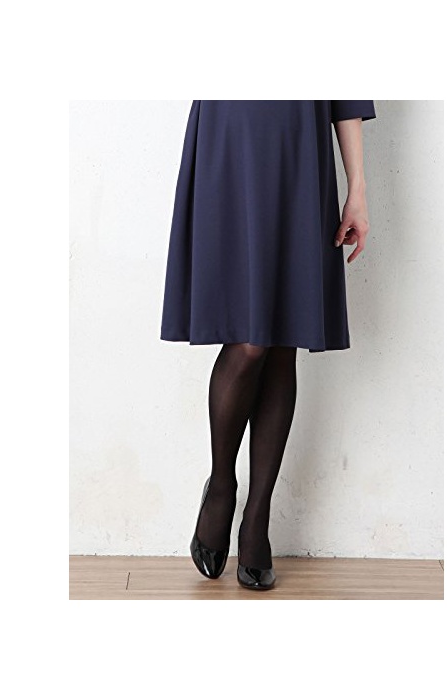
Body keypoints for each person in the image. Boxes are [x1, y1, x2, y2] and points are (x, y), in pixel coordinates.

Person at [160, 100, 376, 590]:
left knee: (282, 339)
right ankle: (222, 485)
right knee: (251, 342)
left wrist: (357, 189)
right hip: (230, 141)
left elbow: (345, 92)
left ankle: (257, 516)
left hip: (300, 149)